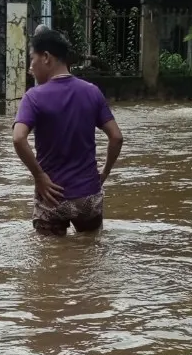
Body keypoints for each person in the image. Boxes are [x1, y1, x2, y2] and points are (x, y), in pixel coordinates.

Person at [13, 28, 124, 236]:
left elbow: (19, 138)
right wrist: (104, 174)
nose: (30, 68)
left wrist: (38, 176)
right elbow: (116, 138)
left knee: (50, 262)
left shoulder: (33, 97)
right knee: (90, 255)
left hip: (52, 197)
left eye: (32, 59)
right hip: (88, 196)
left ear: (46, 57)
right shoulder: (92, 91)